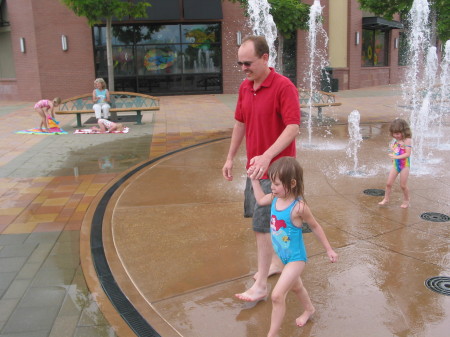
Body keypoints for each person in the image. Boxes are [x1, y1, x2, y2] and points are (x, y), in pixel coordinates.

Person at [222, 35, 300, 302]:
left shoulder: (283, 87)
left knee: (262, 227)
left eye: (248, 63)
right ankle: (275, 265)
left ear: (265, 58)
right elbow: (239, 124)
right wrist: (231, 157)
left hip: (278, 171)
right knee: (269, 224)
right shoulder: (246, 88)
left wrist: (267, 156)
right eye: (240, 63)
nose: (243, 68)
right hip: (256, 169)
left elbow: (293, 127)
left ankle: (261, 286)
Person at [249, 157, 338, 336]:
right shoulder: (274, 197)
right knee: (297, 287)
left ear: (292, 183)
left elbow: (314, 226)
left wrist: (329, 249)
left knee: (276, 296)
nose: (272, 187)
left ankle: (271, 335)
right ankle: (309, 310)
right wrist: (254, 180)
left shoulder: (298, 207)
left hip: (296, 259)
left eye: (276, 183)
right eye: (271, 182)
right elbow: (259, 200)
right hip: (283, 257)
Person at [379, 118, 412, 208]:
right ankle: (386, 198)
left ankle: (406, 200)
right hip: (396, 165)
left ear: (404, 131)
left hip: (404, 166)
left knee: (403, 185)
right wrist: (393, 150)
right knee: (388, 183)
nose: (395, 135)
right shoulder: (396, 140)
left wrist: (396, 157)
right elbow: (398, 151)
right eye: (394, 133)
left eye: (397, 133)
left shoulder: (407, 140)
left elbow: (407, 154)